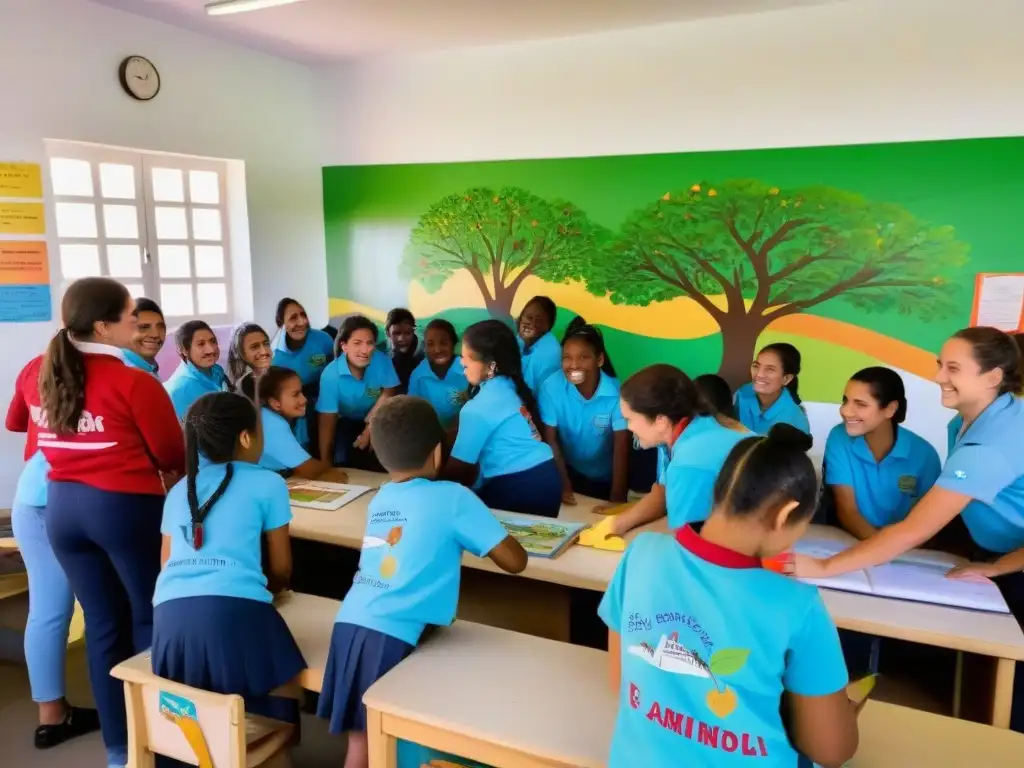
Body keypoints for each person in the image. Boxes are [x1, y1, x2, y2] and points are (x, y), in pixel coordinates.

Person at [791, 327, 1024, 730]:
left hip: (1011, 554)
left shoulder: (993, 443)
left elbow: (915, 528)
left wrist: (826, 568)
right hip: (1000, 550)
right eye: (939, 364)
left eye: (953, 368)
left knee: (1012, 692)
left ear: (993, 377)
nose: (938, 377)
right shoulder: (965, 422)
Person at [599, 426, 859, 768]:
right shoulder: (797, 604)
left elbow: (621, 681)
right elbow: (832, 752)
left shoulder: (640, 553)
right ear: (785, 515)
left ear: (720, 492)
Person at [20, 277, 184, 768]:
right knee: (149, 617)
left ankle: (119, 750)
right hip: (123, 509)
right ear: (103, 326)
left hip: (63, 511)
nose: (138, 325)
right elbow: (171, 453)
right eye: (133, 317)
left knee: (102, 624)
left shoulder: (38, 374)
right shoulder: (134, 382)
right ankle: (162, 744)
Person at [317, 396, 527, 768]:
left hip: (351, 623)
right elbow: (515, 561)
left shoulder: (382, 497)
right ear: (437, 452)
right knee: (393, 748)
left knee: (361, 745)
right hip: (393, 636)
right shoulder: (454, 497)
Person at [152, 391, 305, 728]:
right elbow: (281, 568)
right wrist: (274, 591)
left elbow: (167, 563)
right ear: (246, 437)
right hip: (237, 613)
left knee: (201, 723)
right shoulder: (269, 482)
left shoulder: (180, 491)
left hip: (169, 620)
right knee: (283, 700)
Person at [6, 377, 100, 749]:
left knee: (48, 610)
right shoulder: (114, 372)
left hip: (33, 495)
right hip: (67, 496)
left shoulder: (35, 367)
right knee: (109, 606)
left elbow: (14, 421)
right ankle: (128, 708)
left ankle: (52, 716)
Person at [608, 365, 748, 535]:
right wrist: (615, 525)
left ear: (660, 421)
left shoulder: (688, 462)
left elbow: (685, 542)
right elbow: (663, 491)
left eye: (629, 419)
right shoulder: (693, 425)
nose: (628, 427)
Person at [443, 320, 562, 517]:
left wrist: (425, 483)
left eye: (466, 358)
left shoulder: (477, 408)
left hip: (517, 488)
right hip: (548, 478)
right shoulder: (511, 386)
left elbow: (458, 473)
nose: (461, 363)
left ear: (491, 365)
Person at [823, 367, 941, 540]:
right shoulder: (839, 437)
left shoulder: (925, 455)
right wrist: (879, 550)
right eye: (845, 400)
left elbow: (928, 521)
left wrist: (891, 551)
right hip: (854, 539)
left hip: (905, 547)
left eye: (860, 404)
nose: (845, 411)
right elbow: (847, 510)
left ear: (890, 409)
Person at [539, 317, 629, 504]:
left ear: (600, 359)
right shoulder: (551, 388)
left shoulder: (615, 394)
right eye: (567, 357)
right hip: (570, 472)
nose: (574, 365)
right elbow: (551, 440)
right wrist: (564, 484)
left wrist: (617, 496)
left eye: (583, 357)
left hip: (608, 477)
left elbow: (622, 447)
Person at [316, 315, 399, 471]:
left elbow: (389, 393)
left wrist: (370, 428)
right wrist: (324, 462)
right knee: (343, 460)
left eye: (370, 343)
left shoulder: (382, 361)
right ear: (344, 346)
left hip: (380, 419)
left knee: (383, 462)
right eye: (357, 343)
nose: (365, 350)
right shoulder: (331, 374)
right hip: (345, 422)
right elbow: (327, 419)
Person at [258, 366, 348, 481]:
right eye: (295, 394)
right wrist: (330, 468)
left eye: (302, 392)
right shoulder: (272, 423)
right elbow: (309, 469)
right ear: (275, 403)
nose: (304, 399)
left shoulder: (274, 416)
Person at [272, 298, 336, 451]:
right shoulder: (275, 356)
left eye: (303, 315)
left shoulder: (323, 339)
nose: (301, 322)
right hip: (293, 401)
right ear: (282, 324)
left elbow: (335, 368)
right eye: (293, 318)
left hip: (324, 394)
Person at [734, 342, 811, 437]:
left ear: (786, 378)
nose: (759, 374)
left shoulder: (796, 422)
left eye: (770, 369)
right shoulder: (742, 393)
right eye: (756, 366)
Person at [407, 318, 468, 430]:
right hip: (430, 431)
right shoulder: (418, 375)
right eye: (430, 344)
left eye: (444, 343)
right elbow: (413, 409)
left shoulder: (467, 368)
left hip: (463, 428)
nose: (437, 349)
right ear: (424, 347)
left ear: (453, 344)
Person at [164, 320, 227, 420]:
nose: (211, 350)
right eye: (201, 344)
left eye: (213, 341)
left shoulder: (217, 370)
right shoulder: (179, 389)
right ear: (184, 350)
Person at [518, 296, 561, 394]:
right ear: (521, 317)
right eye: (529, 317)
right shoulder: (522, 336)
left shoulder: (549, 353)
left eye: (539, 321)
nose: (532, 323)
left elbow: (526, 391)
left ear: (549, 326)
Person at [382, 307, 423, 394]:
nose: (402, 339)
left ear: (413, 331)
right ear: (388, 333)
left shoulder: (424, 354)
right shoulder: (380, 353)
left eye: (407, 333)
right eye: (396, 333)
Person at [123, 298, 165, 377]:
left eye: (160, 327)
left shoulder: (149, 367)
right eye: (143, 327)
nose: (155, 334)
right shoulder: (127, 375)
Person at [227, 322, 272, 393]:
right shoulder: (242, 390)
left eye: (266, 344)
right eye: (255, 347)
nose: (264, 352)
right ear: (240, 353)